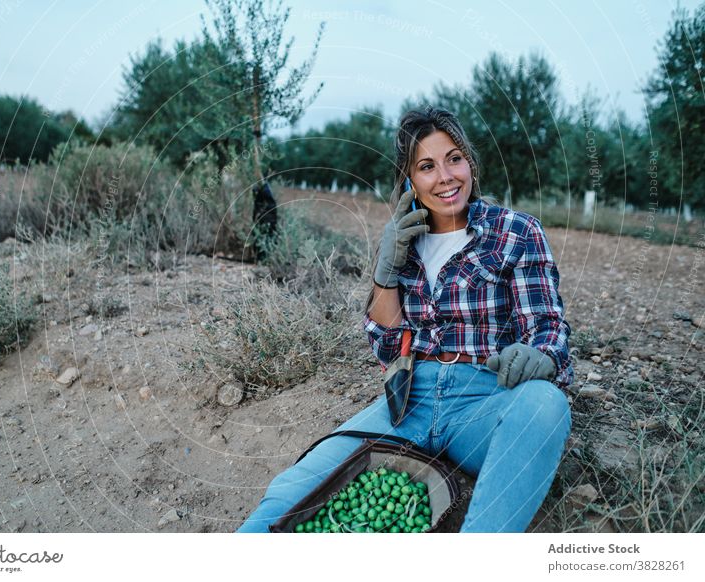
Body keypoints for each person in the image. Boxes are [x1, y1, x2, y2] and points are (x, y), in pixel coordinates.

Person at [236, 106, 573, 533]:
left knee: (545, 405)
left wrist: (540, 356)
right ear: (409, 180)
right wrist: (386, 270)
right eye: (427, 166)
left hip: (484, 401)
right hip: (407, 404)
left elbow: (547, 326)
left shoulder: (516, 232)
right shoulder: (402, 239)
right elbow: (386, 345)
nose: (446, 177)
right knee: (293, 491)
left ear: (470, 162)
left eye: (454, 158)